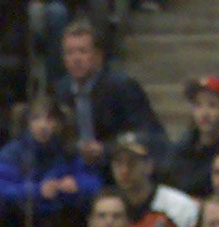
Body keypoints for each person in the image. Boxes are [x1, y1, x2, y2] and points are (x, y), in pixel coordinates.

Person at [0, 97, 100, 227]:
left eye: (50, 119)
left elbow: (94, 182)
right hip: (26, 214)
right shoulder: (14, 152)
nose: (43, 125)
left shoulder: (69, 151)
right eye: (36, 119)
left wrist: (78, 185)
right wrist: (36, 190)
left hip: (59, 214)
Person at [53, 20, 164, 171]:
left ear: (98, 56)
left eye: (82, 51)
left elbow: (147, 134)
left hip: (117, 165)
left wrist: (105, 149)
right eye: (69, 53)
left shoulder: (122, 87)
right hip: (76, 168)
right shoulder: (61, 89)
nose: (76, 59)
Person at [101, 131, 198, 227]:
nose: (124, 170)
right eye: (118, 163)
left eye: (132, 163)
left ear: (149, 166)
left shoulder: (179, 206)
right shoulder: (106, 208)